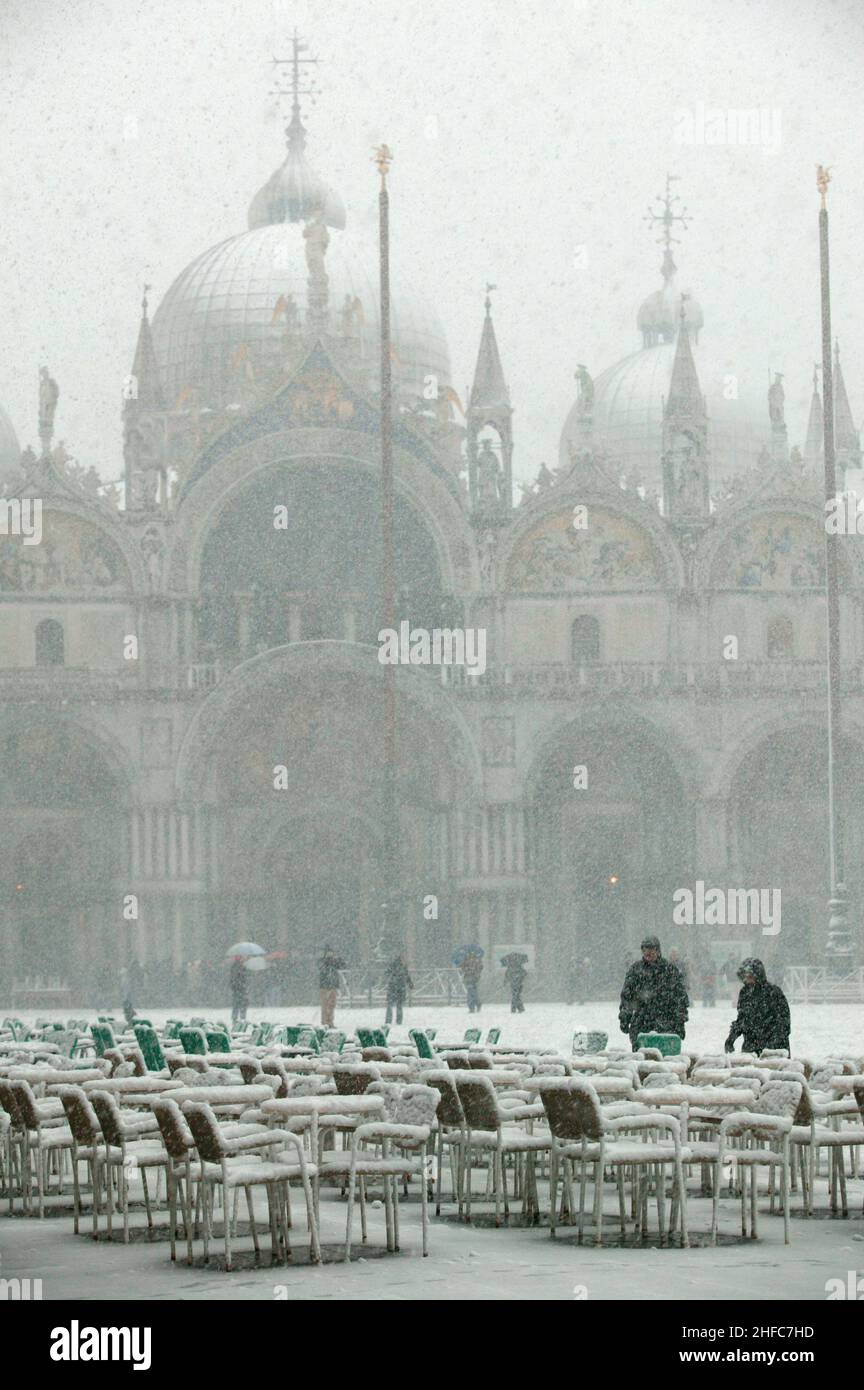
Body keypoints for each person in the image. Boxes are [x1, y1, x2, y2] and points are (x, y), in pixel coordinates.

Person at [618, 935, 689, 1050]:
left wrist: (680, 1020)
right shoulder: (635, 970)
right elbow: (627, 996)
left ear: (658, 950)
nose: (648, 953)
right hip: (642, 1022)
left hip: (666, 1022)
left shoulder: (669, 970)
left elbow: (680, 997)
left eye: (651, 949)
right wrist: (625, 1017)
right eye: (645, 949)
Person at [724, 958, 791, 1055]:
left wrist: (770, 1045)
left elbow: (784, 1023)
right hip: (751, 1048)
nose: (747, 979)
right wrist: (731, 1038)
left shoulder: (773, 993)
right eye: (745, 976)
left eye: (750, 976)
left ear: (758, 975)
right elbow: (742, 1018)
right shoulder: (745, 992)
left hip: (774, 1051)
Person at [318, 945, 345, 1028]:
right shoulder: (322, 961)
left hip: (333, 985)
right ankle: (325, 1022)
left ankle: (330, 1022)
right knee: (325, 1005)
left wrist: (336, 960)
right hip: (324, 986)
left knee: (332, 1004)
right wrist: (327, 960)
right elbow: (321, 967)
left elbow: (342, 965)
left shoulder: (334, 961)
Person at [385, 952, 413, 1026]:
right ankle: (391, 1021)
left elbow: (407, 975)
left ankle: (397, 1021)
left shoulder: (403, 966)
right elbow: (388, 973)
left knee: (397, 1005)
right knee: (392, 1005)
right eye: (404, 958)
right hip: (395, 988)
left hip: (399, 988)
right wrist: (394, 978)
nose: (405, 959)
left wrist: (410, 983)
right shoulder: (394, 965)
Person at [230, 958, 248, 1026]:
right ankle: (242, 1017)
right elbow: (244, 978)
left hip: (236, 988)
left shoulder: (233, 967)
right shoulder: (241, 968)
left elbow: (232, 979)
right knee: (242, 1003)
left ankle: (235, 1018)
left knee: (236, 1004)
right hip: (240, 988)